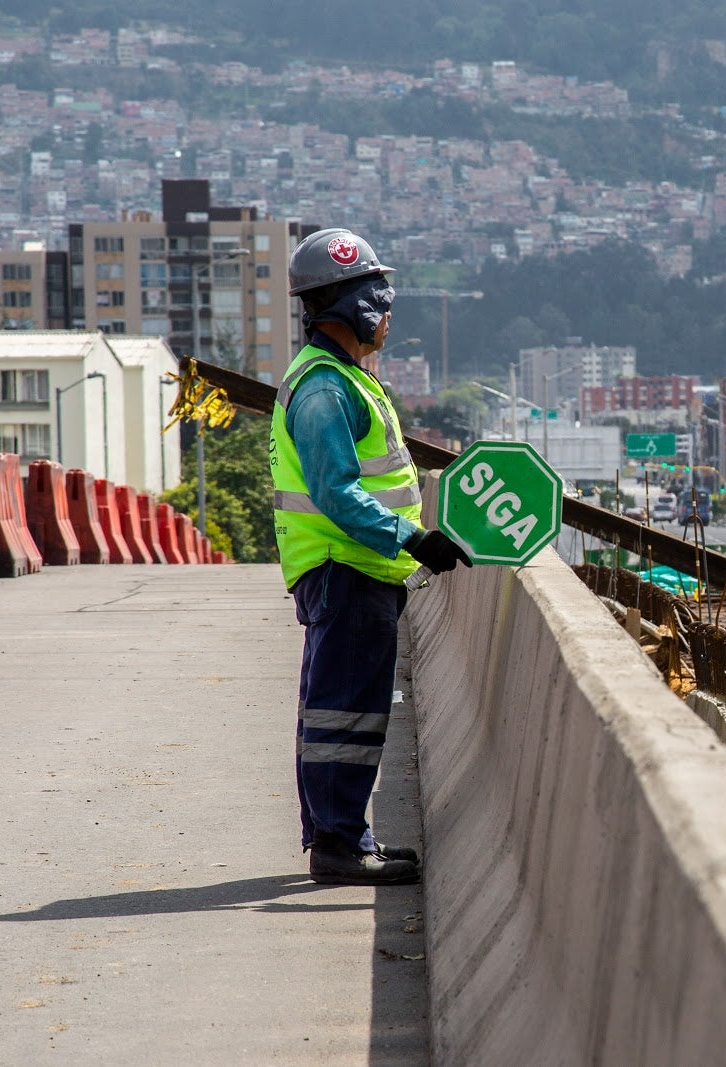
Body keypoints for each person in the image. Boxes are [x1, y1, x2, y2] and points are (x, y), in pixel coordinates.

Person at [271, 227, 473, 886]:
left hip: (352, 574)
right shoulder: (327, 388)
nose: (389, 316)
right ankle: (338, 843)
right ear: (356, 306)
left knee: (335, 710)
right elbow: (336, 490)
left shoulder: (339, 377)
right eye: (380, 303)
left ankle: (337, 834)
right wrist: (411, 536)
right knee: (346, 714)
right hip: (348, 569)